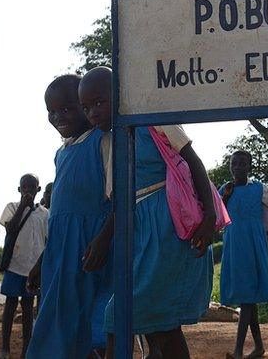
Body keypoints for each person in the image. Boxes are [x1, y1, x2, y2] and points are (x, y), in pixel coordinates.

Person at [94, 67, 216, 359]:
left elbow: (194, 161)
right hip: (141, 233)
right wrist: (103, 239)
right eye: (86, 107)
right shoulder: (109, 143)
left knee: (130, 316)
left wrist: (210, 215)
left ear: (121, 93)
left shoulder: (153, 119)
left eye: (100, 102)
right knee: (156, 325)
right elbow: (121, 200)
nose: (92, 113)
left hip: (168, 228)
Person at [26, 74, 113, 358]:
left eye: (66, 108)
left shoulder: (102, 141)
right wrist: (42, 260)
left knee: (91, 325)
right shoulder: (60, 153)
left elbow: (119, 199)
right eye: (51, 111)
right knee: (58, 327)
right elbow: (59, 218)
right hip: (60, 256)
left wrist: (102, 240)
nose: (57, 116)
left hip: (90, 251)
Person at [219, 150, 268, 359]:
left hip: (253, 243)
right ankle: (259, 347)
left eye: (242, 163)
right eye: (234, 163)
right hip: (234, 244)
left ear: (249, 167)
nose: (237, 167)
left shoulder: (259, 189)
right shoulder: (225, 190)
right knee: (248, 297)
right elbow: (219, 215)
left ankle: (238, 351)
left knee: (247, 297)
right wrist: (224, 196)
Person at [0, 174, 48, 358]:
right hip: (14, 265)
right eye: (24, 187)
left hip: (33, 268)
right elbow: (10, 228)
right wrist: (22, 206)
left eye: (31, 187)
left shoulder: (44, 213)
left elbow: (47, 240)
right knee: (10, 304)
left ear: (38, 189)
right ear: (19, 189)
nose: (28, 190)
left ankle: (26, 350)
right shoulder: (11, 207)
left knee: (28, 307)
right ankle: (5, 348)